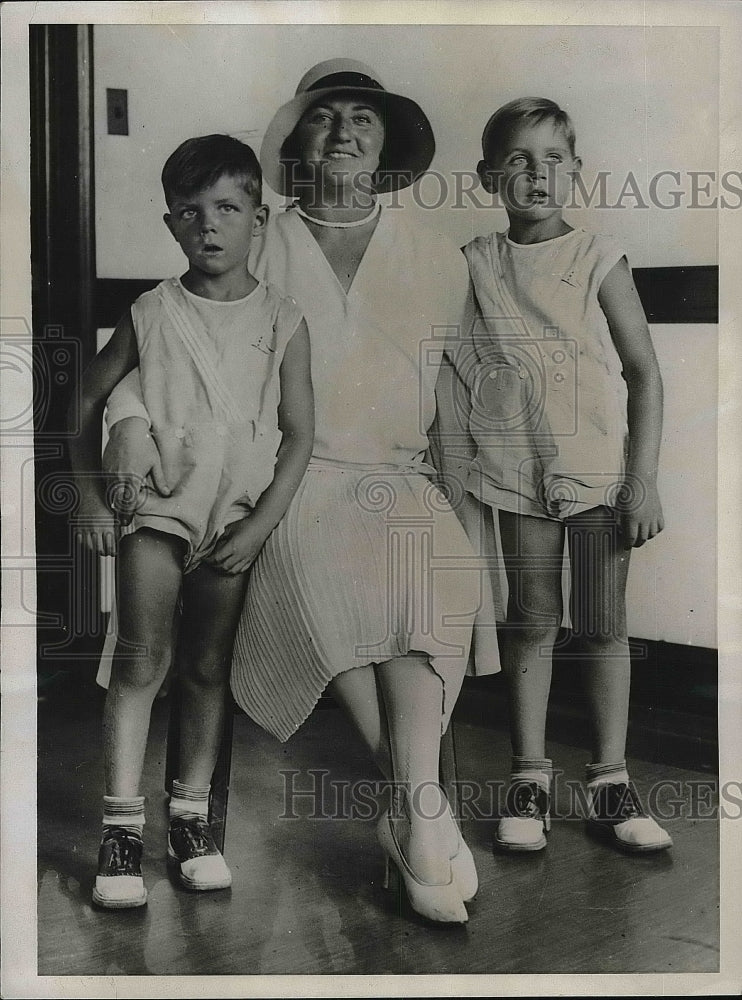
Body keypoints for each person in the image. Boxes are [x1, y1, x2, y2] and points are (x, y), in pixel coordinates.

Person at [103, 59, 501, 925]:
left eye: (363, 118)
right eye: (324, 119)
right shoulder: (258, 235)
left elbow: (461, 398)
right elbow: (168, 342)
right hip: (284, 482)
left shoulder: (438, 258)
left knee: (430, 585)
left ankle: (413, 810)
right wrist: (129, 419)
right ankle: (423, 814)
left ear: (389, 140)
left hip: (403, 479)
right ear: (295, 142)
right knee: (332, 587)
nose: (345, 133)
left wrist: (467, 508)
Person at [68, 134, 314, 909]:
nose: (209, 226)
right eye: (190, 213)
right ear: (172, 225)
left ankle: (189, 823)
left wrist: (261, 524)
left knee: (208, 670)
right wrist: (88, 495)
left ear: (258, 218)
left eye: (228, 209)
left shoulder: (283, 318)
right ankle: (120, 830)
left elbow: (303, 433)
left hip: (233, 518)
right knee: (142, 664)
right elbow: (85, 402)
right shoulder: (153, 310)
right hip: (160, 514)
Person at [450, 96, 672, 854]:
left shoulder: (597, 257)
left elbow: (645, 373)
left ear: (575, 173)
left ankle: (610, 781)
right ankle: (529, 779)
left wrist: (641, 479)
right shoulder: (478, 261)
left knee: (603, 624)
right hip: (520, 468)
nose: (536, 173)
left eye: (553, 159)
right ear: (489, 177)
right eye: (517, 159)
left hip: (599, 472)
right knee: (533, 620)